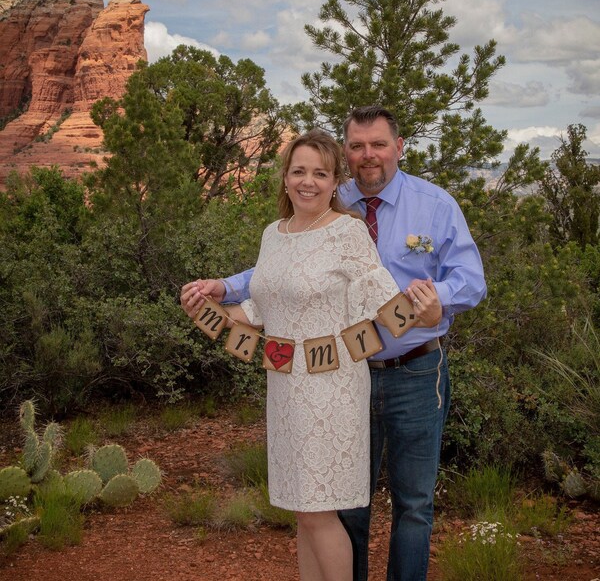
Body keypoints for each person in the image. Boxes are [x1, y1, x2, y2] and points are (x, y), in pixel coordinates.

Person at [182, 106, 487, 581]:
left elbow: (453, 285)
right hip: (306, 383)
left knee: (411, 505)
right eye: (358, 146)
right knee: (333, 509)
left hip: (407, 368)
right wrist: (214, 297)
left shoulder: (416, 209)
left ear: (398, 147)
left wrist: (436, 304)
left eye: (379, 144)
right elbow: (273, 285)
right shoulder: (317, 207)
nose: (369, 154)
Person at [181, 128, 401, 581]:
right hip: (284, 386)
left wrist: (422, 308)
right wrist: (207, 309)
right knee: (302, 511)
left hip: (332, 388)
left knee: (320, 511)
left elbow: (385, 303)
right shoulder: (273, 235)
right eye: (299, 171)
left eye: (320, 173)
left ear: (334, 181)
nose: (308, 181)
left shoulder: (348, 232)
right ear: (285, 178)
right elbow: (258, 310)